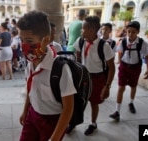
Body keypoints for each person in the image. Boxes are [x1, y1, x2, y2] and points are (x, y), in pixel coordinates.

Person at [17, 10, 76, 141]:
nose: (24, 45)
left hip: (52, 121)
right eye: (21, 40)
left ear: (46, 40)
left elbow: (68, 108)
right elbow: (30, 89)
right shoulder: (31, 62)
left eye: (29, 40)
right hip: (33, 115)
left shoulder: (60, 69)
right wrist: (25, 110)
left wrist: (55, 138)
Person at [74, 16, 115, 135]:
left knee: (94, 102)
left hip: (97, 78)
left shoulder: (104, 46)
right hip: (83, 76)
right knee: (78, 101)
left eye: (83, 29)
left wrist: (107, 86)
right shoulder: (80, 41)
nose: (81, 31)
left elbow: (112, 68)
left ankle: (93, 123)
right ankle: (73, 122)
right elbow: (77, 58)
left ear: (91, 30)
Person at [109, 21, 148, 121]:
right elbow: (119, 52)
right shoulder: (123, 41)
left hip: (135, 68)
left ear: (138, 32)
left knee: (133, 86)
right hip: (124, 67)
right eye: (129, 32)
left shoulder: (142, 43)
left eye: (133, 32)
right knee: (121, 88)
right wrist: (119, 60)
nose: (131, 34)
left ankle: (131, 102)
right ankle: (117, 111)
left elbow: (147, 57)